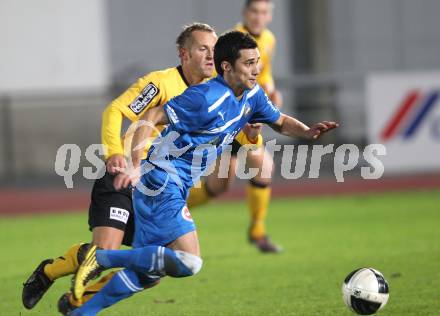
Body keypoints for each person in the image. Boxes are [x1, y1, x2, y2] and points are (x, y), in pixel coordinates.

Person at [70, 30, 338, 315]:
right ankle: (102, 258)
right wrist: (136, 165)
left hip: (175, 184)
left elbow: (280, 121)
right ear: (227, 67)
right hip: (161, 181)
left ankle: (81, 312)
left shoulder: (253, 95)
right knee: (189, 262)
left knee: (148, 273)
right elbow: (152, 116)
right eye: (248, 63)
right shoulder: (204, 97)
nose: (256, 69)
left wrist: (307, 131)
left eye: (257, 61)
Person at [21, 22, 219, 313]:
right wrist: (114, 152)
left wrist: (253, 134)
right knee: (104, 252)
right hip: (126, 177)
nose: (210, 56)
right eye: (203, 48)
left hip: (159, 193)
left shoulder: (214, 95)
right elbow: (116, 110)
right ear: (184, 54)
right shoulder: (160, 84)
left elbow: (238, 129)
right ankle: (49, 272)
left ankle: (80, 301)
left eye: (214, 49)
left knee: (153, 270)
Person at [187, 0, 282, 252]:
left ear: (269, 16)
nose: (258, 17)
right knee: (264, 165)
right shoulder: (233, 42)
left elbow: (265, 73)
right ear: (245, 13)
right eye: (254, 11)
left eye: (264, 12)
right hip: (231, 115)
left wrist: (271, 90)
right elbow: (217, 74)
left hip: (246, 115)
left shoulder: (269, 40)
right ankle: (258, 231)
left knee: (219, 186)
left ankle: (169, 206)